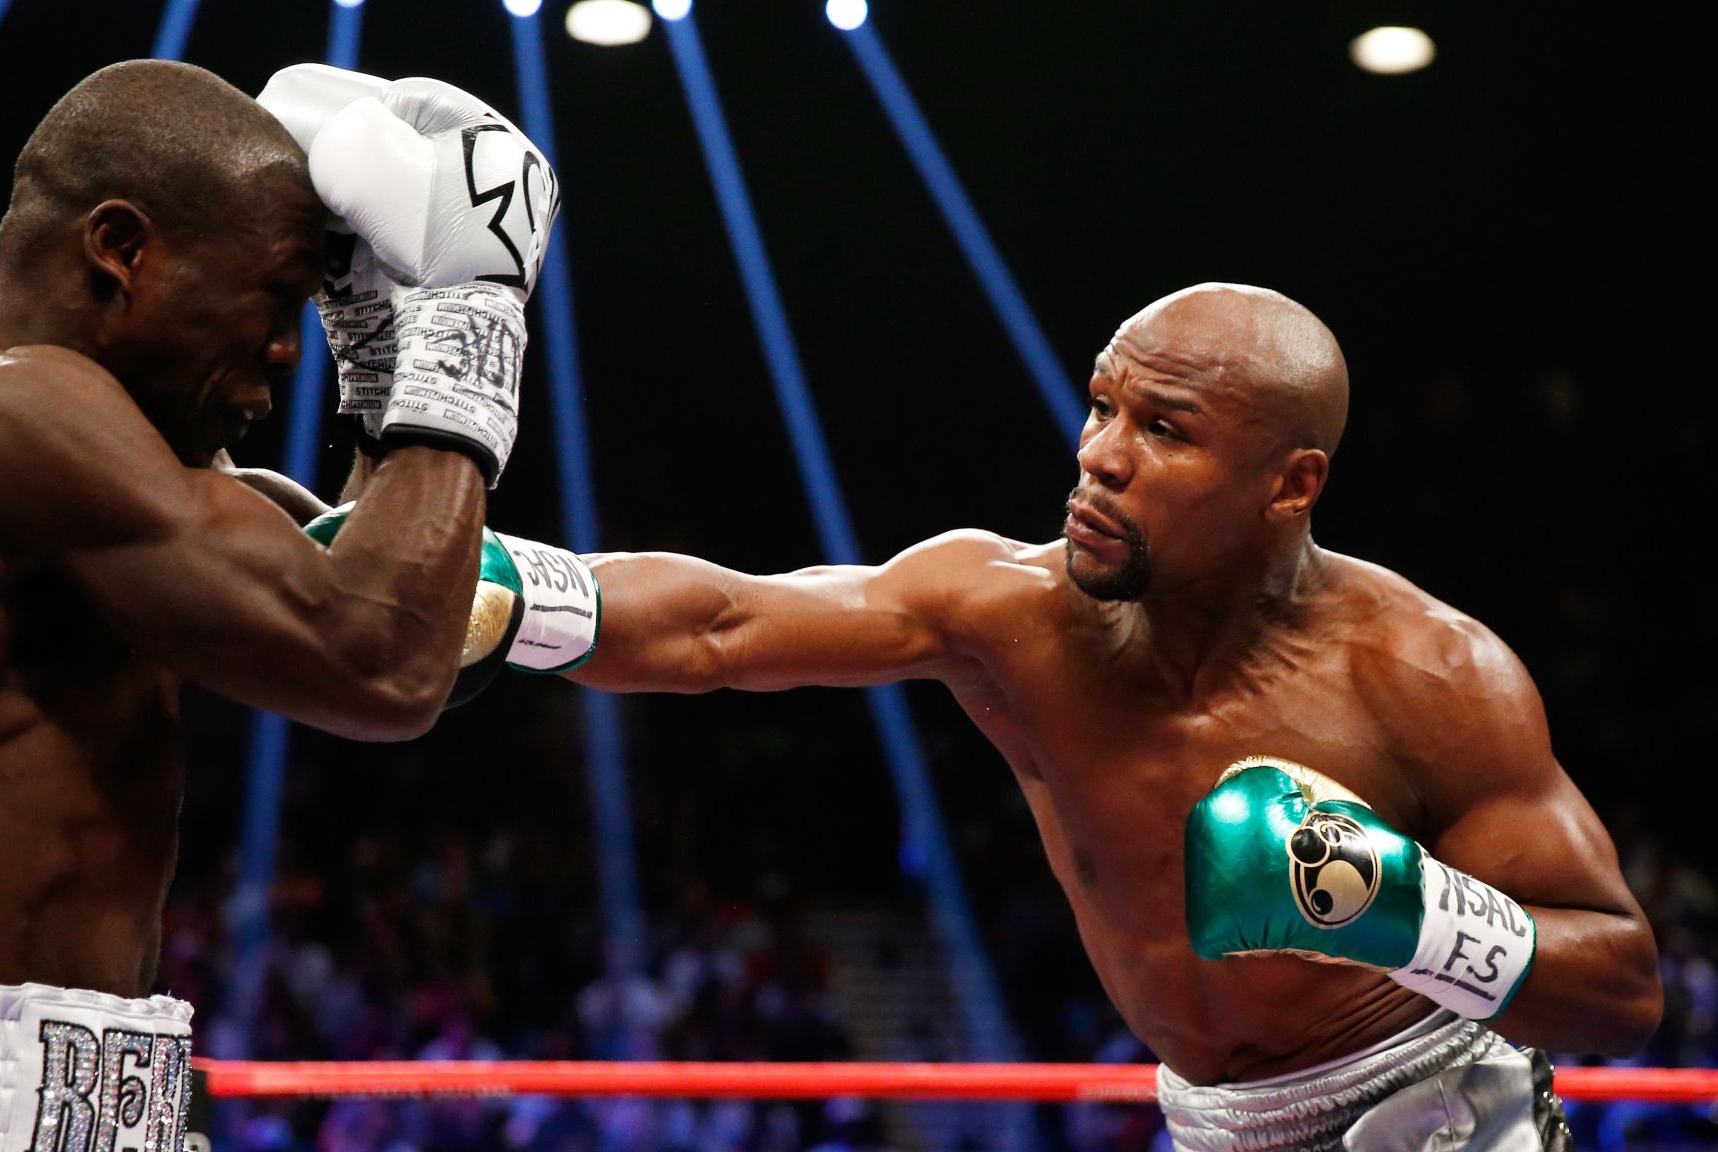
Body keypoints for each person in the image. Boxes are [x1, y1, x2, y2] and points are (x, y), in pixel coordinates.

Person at [460, 283, 1662, 1150]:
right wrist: (493, 590)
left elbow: (1619, 992)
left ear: (1289, 485)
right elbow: (720, 625)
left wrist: (1397, 911)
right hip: (1209, 1121)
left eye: (1164, 430)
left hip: (1433, 1110)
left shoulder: (1426, 675)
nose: (1100, 456)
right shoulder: (1009, 613)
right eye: (1100, 407)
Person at [0, 58, 557, 1152]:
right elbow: (377, 661)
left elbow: (402, 596)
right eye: (276, 297)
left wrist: (387, 362)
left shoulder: (144, 477)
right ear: (123, 249)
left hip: (80, 1090)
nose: (287, 350)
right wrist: (466, 321)